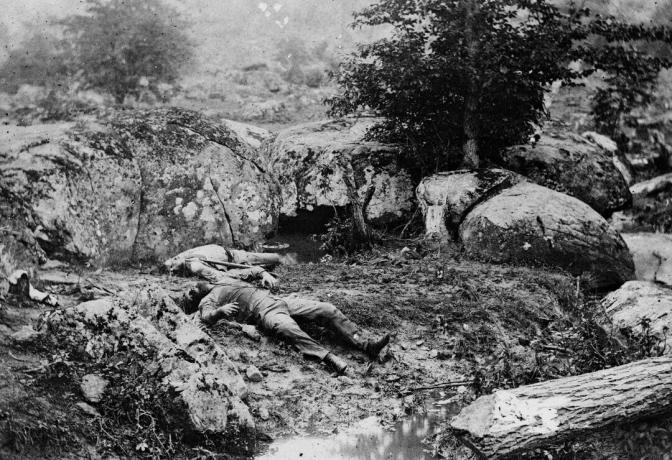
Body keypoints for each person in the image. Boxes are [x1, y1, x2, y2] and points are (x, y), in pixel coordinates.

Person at [171, 253, 390, 374]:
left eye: (191, 288)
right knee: (287, 328)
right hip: (264, 312)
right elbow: (206, 317)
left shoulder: (224, 278)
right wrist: (220, 312)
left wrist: (265, 275)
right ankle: (330, 358)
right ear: (194, 299)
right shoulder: (209, 300)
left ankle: (365, 344)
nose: (192, 289)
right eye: (190, 294)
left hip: (280, 300)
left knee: (327, 309)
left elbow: (253, 270)